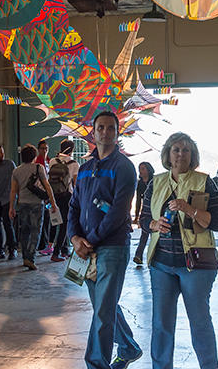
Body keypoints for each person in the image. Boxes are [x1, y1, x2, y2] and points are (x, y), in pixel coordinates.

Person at [138, 133, 218, 369]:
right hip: (161, 264)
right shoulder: (155, 183)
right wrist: (154, 224)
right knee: (161, 325)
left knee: (200, 323)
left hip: (195, 266)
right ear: (167, 154)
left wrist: (189, 209)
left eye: (185, 150)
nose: (180, 154)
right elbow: (144, 218)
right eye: (175, 149)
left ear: (192, 155)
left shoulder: (204, 182)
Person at [69, 111, 143, 369]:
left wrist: (90, 240)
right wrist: (74, 237)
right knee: (104, 306)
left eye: (110, 128)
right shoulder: (86, 168)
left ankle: (96, 364)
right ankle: (129, 348)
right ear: (93, 131)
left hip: (112, 247)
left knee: (103, 309)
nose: (105, 132)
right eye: (100, 127)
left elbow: (119, 211)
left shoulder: (124, 168)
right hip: (85, 248)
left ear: (117, 132)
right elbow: (74, 206)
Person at [10, 144, 58, 270]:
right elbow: (47, 186)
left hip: (22, 204)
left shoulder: (16, 171)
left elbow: (13, 191)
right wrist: (53, 203)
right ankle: (30, 258)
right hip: (37, 204)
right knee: (36, 231)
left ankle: (25, 257)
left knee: (24, 231)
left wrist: (11, 207)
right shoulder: (39, 167)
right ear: (34, 156)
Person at [48, 140, 79, 262]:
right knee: (64, 225)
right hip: (67, 196)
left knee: (55, 222)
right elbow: (75, 184)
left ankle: (63, 250)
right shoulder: (74, 164)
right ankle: (56, 253)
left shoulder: (52, 161)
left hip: (54, 195)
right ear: (71, 150)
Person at [132, 162, 155, 266]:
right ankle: (138, 255)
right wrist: (137, 215)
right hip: (146, 212)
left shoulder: (155, 181)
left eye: (143, 168)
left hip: (156, 211)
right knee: (144, 234)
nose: (141, 171)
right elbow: (138, 200)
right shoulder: (140, 184)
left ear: (148, 169)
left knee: (155, 235)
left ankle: (151, 257)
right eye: (139, 168)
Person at [37, 139, 54, 256]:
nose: (44, 151)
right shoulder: (37, 162)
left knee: (48, 219)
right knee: (41, 220)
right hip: (40, 195)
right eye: (42, 148)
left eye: (46, 149)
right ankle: (42, 243)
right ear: (39, 150)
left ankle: (47, 243)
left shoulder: (49, 161)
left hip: (48, 194)